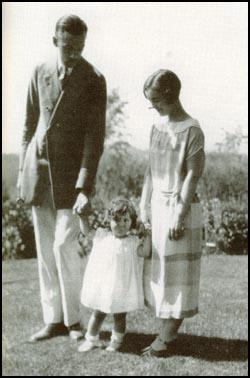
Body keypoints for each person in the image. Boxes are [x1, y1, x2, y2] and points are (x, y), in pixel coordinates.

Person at [17, 15, 107, 342]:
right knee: (45, 251)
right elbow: (28, 124)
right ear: (55, 40)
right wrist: (22, 173)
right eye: (68, 47)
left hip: (71, 180)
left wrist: (85, 186)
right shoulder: (39, 72)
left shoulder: (94, 79)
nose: (74, 54)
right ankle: (53, 320)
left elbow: (95, 138)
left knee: (63, 247)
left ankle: (74, 322)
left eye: (80, 48)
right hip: (38, 174)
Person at [139, 69, 205, 357]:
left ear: (169, 95)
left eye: (154, 99)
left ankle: (165, 339)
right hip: (157, 208)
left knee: (177, 275)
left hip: (181, 208)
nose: (152, 105)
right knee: (160, 273)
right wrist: (143, 204)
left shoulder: (192, 130)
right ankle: (166, 334)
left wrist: (179, 213)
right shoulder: (156, 127)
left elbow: (192, 176)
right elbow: (150, 171)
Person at [77, 198, 151, 352]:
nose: (122, 224)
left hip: (121, 287)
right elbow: (86, 231)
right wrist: (82, 217)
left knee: (119, 316)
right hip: (104, 286)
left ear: (131, 222)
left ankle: (116, 342)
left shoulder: (133, 242)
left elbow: (145, 252)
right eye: (116, 220)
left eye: (126, 220)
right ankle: (91, 339)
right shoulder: (102, 236)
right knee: (98, 313)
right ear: (109, 221)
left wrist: (148, 235)